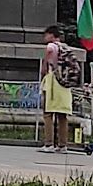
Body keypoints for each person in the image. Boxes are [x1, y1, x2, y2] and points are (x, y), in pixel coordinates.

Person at [39, 24, 75, 152]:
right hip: (64, 84)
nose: (44, 37)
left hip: (53, 83)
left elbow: (49, 53)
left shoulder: (51, 46)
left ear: (51, 35)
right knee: (62, 115)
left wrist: (44, 64)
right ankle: (62, 145)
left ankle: (49, 144)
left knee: (48, 113)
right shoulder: (66, 48)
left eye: (46, 35)